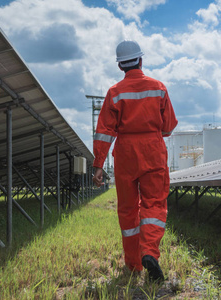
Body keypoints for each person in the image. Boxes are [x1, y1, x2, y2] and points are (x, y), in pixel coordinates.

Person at [92, 40, 178, 282]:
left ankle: (132, 265)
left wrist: (98, 164)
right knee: (154, 204)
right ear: (141, 60)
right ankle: (150, 252)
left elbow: (104, 131)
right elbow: (169, 126)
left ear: (120, 66)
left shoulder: (115, 93)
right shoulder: (159, 88)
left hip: (126, 152)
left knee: (128, 210)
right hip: (152, 149)